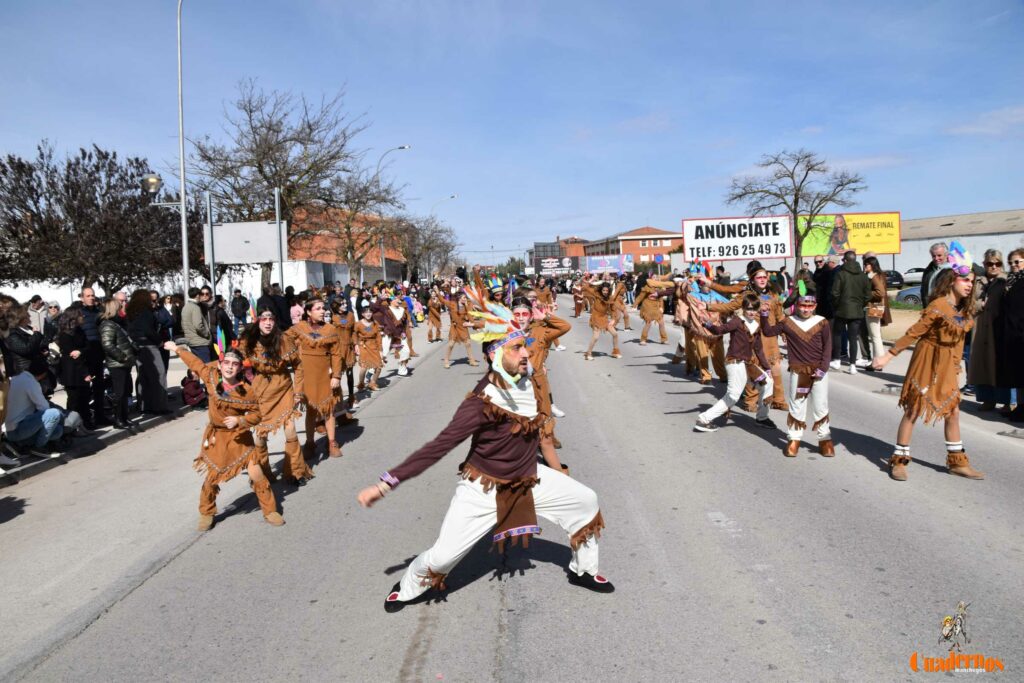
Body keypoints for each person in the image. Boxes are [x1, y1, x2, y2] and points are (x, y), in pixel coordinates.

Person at [357, 302, 611, 613]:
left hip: (528, 479)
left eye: (525, 346)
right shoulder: (481, 402)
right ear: (494, 354)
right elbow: (439, 445)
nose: (526, 353)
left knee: (585, 501)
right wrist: (385, 484)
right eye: (517, 348)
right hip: (483, 489)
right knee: (443, 557)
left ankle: (582, 570)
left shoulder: (527, 383)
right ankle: (409, 586)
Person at [872, 251, 984, 481]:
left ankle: (957, 462)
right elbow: (914, 333)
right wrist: (887, 356)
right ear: (951, 280)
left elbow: (959, 340)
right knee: (913, 410)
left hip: (947, 364)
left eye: (972, 281)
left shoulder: (964, 309)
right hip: (926, 360)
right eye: (965, 280)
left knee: (952, 411)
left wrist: (955, 366)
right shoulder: (938, 305)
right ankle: (899, 460)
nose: (969, 285)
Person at [164, 342, 284, 529]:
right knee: (212, 476)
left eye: (234, 364)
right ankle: (206, 512)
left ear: (239, 368)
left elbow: (258, 414)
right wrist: (176, 349)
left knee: (256, 472)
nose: (229, 366)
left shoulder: (247, 391)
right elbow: (195, 363)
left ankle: (270, 510)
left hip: (239, 437)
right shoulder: (211, 377)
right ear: (220, 366)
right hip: (217, 437)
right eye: (226, 362)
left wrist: (240, 421)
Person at [238, 309, 312, 486]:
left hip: (283, 387)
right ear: (258, 321)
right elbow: (236, 364)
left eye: (271, 318)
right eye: (264, 319)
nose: (268, 322)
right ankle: (263, 473)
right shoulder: (248, 341)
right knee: (260, 436)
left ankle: (296, 471)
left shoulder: (285, 340)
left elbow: (298, 366)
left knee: (290, 429)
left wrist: (298, 392)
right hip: (261, 389)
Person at [760, 291, 833, 457]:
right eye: (802, 305)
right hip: (798, 370)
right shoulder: (788, 322)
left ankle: (825, 439)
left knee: (821, 405)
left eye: (809, 306)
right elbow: (768, 331)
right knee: (797, 405)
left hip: (819, 370)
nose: (806, 309)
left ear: (814, 306)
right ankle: (794, 439)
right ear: (797, 306)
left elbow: (828, 347)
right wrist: (764, 314)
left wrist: (823, 367)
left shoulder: (822, 322)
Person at [694, 294, 775, 432]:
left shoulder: (756, 325)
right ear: (743, 308)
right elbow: (721, 330)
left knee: (768, 382)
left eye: (754, 309)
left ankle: (762, 417)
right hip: (734, 362)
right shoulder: (737, 321)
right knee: (733, 396)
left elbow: (758, 349)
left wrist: (767, 368)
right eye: (748, 309)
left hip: (747, 365)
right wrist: (707, 323)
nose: (751, 312)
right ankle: (704, 419)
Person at [287, 298, 343, 459]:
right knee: (311, 411)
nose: (322, 311)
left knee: (329, 410)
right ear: (309, 312)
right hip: (307, 375)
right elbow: (283, 340)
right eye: (318, 308)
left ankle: (332, 442)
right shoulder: (299, 328)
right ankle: (310, 443)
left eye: (323, 308)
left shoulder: (331, 329)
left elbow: (337, 354)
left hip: (326, 374)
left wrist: (337, 376)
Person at [969, 250, 1015, 411]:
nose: (993, 266)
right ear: (984, 264)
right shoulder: (977, 281)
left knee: (1001, 365)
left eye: (997, 263)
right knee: (982, 365)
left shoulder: (1007, 281)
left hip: (1000, 330)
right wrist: (980, 304)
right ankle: (987, 399)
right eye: (990, 263)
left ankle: (1008, 401)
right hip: (980, 329)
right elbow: (968, 303)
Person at [3, 358, 63, 457]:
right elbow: (44, 408)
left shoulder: (16, 378)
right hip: (17, 429)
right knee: (54, 414)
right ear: (42, 375)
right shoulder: (30, 381)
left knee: (57, 431)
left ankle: (21, 444)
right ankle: (38, 447)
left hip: (9, 430)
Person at [126, 289, 170, 415]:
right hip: (149, 345)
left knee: (143, 377)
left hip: (137, 346)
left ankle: (144, 405)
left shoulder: (131, 312)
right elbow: (148, 330)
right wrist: (159, 341)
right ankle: (160, 406)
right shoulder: (146, 312)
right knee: (158, 375)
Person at [829, 251, 872, 374]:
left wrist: (837, 305)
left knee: (837, 334)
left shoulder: (841, 274)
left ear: (845, 260)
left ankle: (837, 360)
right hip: (857, 310)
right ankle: (852, 365)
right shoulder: (863, 276)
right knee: (853, 338)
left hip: (842, 310)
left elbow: (835, 293)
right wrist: (860, 304)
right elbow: (868, 295)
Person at [99, 298, 136, 430]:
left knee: (125, 392)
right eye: (119, 307)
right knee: (119, 393)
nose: (122, 309)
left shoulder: (116, 323)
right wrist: (122, 357)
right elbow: (107, 344)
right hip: (117, 364)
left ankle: (124, 418)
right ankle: (119, 419)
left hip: (124, 363)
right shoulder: (107, 325)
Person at [77, 287, 107, 428]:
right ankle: (86, 420)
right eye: (88, 296)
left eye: (93, 295)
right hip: (84, 356)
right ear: (82, 298)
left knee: (99, 388)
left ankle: (100, 416)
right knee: (83, 391)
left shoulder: (99, 313)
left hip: (98, 355)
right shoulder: (79, 313)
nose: (91, 298)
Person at [56, 307, 92, 424]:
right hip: (71, 372)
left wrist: (81, 351)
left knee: (84, 399)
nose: (83, 317)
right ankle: (73, 425)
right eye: (80, 315)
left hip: (81, 368)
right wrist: (85, 373)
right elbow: (72, 356)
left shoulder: (79, 331)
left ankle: (86, 423)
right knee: (74, 400)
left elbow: (87, 347)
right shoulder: (65, 335)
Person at [1000, 248, 1024, 422]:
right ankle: (1020, 407)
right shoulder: (1011, 281)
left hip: (1021, 333)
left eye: (1017, 261)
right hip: (1012, 332)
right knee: (1018, 373)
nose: (1014, 265)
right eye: (1011, 262)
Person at [580, 276, 622, 360]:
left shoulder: (610, 298)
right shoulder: (596, 294)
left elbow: (613, 309)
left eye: (606, 290)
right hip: (595, 317)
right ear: (601, 290)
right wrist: (591, 280)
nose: (605, 292)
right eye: (603, 290)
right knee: (596, 337)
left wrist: (613, 319)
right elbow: (584, 288)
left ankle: (615, 352)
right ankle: (588, 353)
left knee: (615, 334)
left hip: (604, 318)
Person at [329, 297, 357, 411]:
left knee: (350, 373)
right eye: (342, 304)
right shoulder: (332, 317)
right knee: (337, 374)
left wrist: (356, 344)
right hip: (337, 349)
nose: (345, 305)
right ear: (336, 306)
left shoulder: (350, 315)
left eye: (345, 303)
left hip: (349, 348)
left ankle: (351, 397)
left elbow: (354, 331)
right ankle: (337, 401)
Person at [862, 256, 889, 369]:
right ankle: (878, 361)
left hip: (873, 307)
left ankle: (877, 363)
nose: (864, 266)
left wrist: (866, 294)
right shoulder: (877, 275)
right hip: (875, 307)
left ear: (871, 265)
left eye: (866, 264)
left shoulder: (873, 277)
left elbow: (880, 292)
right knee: (876, 335)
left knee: (875, 336)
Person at [442, 289, 479, 369]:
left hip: (463, 326)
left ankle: (472, 360)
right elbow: (443, 300)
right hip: (454, 326)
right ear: (459, 298)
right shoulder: (452, 304)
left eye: (466, 297)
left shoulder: (466, 306)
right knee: (451, 344)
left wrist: (475, 326)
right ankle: (446, 361)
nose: (465, 299)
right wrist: (437, 292)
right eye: (464, 297)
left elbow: (470, 316)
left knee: (468, 343)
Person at [355, 302, 384, 395]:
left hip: (374, 346)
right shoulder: (358, 324)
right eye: (366, 312)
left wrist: (380, 350)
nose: (368, 314)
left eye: (370, 312)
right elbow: (354, 335)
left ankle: (372, 383)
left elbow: (379, 337)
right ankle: (361, 384)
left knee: (379, 366)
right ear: (362, 314)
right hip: (363, 346)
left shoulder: (375, 323)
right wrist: (356, 345)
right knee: (364, 367)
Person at [182, 287, 213, 362]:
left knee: (198, 366)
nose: (202, 296)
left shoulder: (186, 307)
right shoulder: (195, 307)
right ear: (197, 296)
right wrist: (207, 334)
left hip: (191, 341)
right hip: (200, 342)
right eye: (201, 294)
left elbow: (183, 324)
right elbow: (198, 325)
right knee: (206, 366)